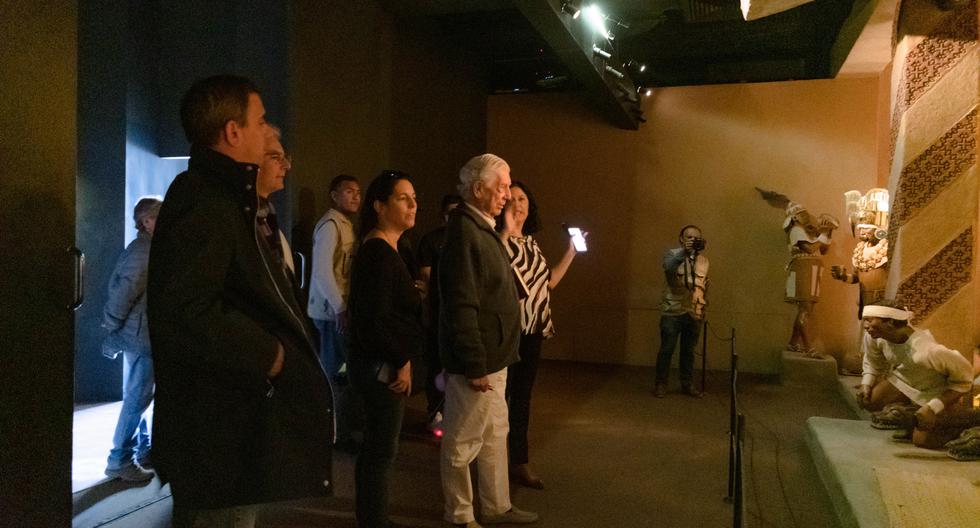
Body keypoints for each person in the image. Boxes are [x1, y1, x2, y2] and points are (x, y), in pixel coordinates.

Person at [147, 75, 333, 527]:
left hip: (228, 429)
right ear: (233, 132)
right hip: (217, 437)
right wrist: (271, 356)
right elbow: (189, 311)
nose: (268, 130)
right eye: (261, 119)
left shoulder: (225, 198)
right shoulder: (204, 199)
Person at [439, 153, 538, 528]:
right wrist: (474, 364)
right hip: (478, 364)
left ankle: (497, 505)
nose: (508, 195)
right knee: (463, 443)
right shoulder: (464, 232)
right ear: (478, 189)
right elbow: (461, 305)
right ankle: (460, 515)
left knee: (496, 434)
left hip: (496, 358)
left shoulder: (479, 227)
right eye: (501, 186)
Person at [347, 170, 424, 528]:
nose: (413, 204)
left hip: (382, 361)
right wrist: (401, 360)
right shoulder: (378, 251)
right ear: (379, 206)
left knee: (378, 449)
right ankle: (374, 521)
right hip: (381, 367)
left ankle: (372, 517)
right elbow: (373, 321)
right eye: (403, 198)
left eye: (414, 198)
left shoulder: (391, 248)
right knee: (380, 451)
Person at [495, 181, 582, 489]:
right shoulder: (497, 240)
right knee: (497, 400)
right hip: (507, 332)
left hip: (533, 329)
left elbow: (548, 284)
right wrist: (505, 229)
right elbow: (497, 267)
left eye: (522, 199)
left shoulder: (531, 243)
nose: (518, 204)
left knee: (521, 398)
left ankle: (519, 461)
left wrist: (571, 252)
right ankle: (489, 462)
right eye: (512, 200)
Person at [102, 197, 161, 482]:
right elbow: (124, 293)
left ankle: (141, 450)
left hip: (140, 334)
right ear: (144, 222)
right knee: (138, 397)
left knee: (140, 395)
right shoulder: (145, 253)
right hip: (141, 336)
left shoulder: (146, 249)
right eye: (155, 217)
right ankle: (119, 459)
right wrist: (112, 325)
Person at [857, 300, 973, 432]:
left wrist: (934, 406)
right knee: (868, 401)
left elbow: (965, 381)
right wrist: (866, 383)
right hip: (903, 380)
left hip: (933, 391)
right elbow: (873, 362)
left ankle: (915, 415)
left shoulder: (927, 350)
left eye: (870, 320)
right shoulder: (874, 336)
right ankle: (906, 410)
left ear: (889, 322)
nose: (866, 326)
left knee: (922, 441)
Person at [308, 174, 363, 452]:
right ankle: (334, 434)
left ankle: (340, 430)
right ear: (334, 195)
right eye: (348, 191)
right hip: (330, 314)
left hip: (337, 312)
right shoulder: (330, 225)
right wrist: (340, 307)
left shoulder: (345, 225)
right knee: (336, 374)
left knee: (342, 372)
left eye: (358, 192)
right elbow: (321, 272)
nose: (355, 196)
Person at [417, 193, 463, 432]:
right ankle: (434, 412)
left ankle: (453, 412)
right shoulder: (431, 240)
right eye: (450, 213)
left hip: (459, 314)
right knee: (435, 363)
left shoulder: (467, 240)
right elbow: (425, 275)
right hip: (436, 313)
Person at [654, 225, 709, 398]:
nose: (693, 240)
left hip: (693, 312)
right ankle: (661, 384)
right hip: (672, 311)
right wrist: (682, 254)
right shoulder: (672, 254)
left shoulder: (704, 261)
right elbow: (669, 268)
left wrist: (703, 308)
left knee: (688, 351)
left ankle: (687, 384)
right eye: (689, 237)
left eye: (696, 238)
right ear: (681, 238)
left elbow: (704, 286)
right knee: (667, 349)